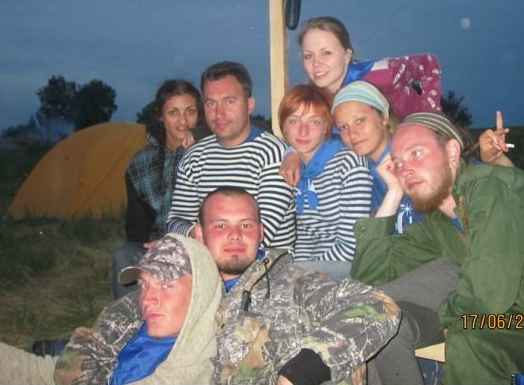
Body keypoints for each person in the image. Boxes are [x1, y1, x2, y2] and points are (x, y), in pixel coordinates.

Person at [350, 112, 524, 384]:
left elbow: (487, 292)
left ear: (452, 152)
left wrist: (449, 315)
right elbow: (369, 276)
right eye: (398, 163)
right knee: (468, 330)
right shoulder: (439, 225)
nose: (406, 169)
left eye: (416, 153)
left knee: (469, 332)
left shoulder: (489, 186)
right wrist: (393, 192)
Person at [191, 186, 401, 385]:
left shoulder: (296, 285)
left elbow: (378, 304)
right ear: (199, 233)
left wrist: (300, 373)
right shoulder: (182, 290)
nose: (235, 234)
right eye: (221, 225)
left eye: (246, 225)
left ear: (261, 232)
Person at [0, 235, 222, 385]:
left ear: (201, 291)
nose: (147, 298)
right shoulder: (129, 329)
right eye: (144, 284)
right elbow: (44, 373)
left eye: (167, 285)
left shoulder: (207, 368)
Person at [167, 61, 296, 248]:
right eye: (211, 103)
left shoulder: (275, 155)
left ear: (249, 105)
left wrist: (201, 236)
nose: (219, 113)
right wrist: (192, 233)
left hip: (266, 262)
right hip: (205, 257)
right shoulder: (193, 157)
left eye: (229, 102)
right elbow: (175, 221)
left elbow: (259, 235)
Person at [113, 79, 204, 299]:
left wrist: (204, 133)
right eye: (173, 112)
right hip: (156, 246)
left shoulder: (212, 152)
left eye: (190, 111)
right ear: (161, 116)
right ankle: (131, 317)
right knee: (124, 255)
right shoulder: (141, 164)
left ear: (199, 115)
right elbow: (136, 229)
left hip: (199, 245)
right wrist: (155, 250)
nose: (183, 121)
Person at [277, 84, 372, 277]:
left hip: (352, 268)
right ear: (284, 127)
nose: (303, 131)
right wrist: (298, 269)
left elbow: (352, 245)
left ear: (326, 127)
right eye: (294, 121)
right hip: (317, 269)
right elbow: (306, 234)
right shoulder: (297, 169)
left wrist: (304, 274)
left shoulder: (349, 163)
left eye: (314, 122)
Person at [298, 16, 442, 119]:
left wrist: (430, 120)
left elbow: (429, 63)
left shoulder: (380, 73)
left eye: (326, 53)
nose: (316, 63)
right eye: (308, 56)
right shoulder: (312, 99)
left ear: (347, 55)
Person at [332, 80, 421, 233]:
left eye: (360, 121)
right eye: (343, 127)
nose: (352, 134)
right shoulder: (360, 170)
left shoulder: (414, 160)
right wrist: (292, 153)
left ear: (383, 118)